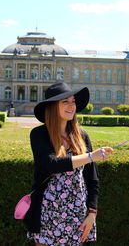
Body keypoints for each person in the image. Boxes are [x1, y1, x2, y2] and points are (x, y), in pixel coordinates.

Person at [24, 82, 114, 246]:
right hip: (47, 211)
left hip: (77, 211)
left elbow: (92, 178)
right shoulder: (39, 134)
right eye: (65, 101)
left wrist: (92, 212)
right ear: (53, 106)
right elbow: (52, 164)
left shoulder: (81, 135)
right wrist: (90, 156)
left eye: (73, 101)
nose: (72, 106)